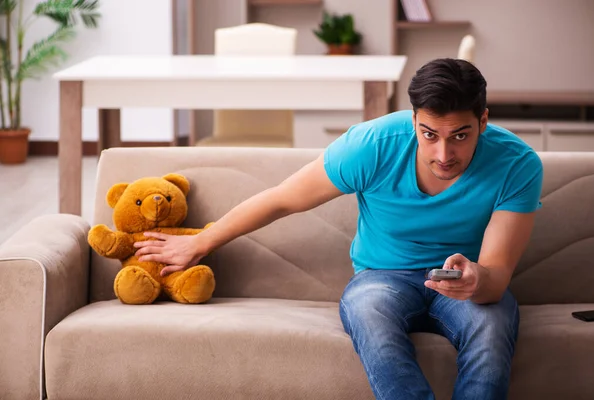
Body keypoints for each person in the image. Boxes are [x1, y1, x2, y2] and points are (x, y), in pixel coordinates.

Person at [133, 58, 543, 400]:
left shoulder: (517, 165)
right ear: (414, 119)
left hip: (464, 281)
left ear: (484, 121)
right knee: (369, 313)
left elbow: (495, 278)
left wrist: (475, 280)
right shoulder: (374, 145)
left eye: (460, 136)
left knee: (492, 325)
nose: (443, 154)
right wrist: (201, 242)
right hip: (384, 279)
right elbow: (282, 198)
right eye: (429, 134)